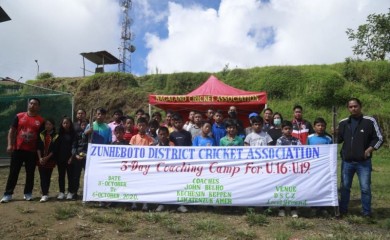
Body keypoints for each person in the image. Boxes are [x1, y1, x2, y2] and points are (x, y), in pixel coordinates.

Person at [338, 98, 383, 217]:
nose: (353, 108)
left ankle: (366, 212)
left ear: (360, 106)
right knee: (345, 188)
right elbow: (338, 140)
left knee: (365, 188)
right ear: (348, 108)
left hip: (363, 162)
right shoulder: (343, 122)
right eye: (351, 107)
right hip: (347, 162)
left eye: (355, 106)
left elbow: (379, 138)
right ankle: (343, 210)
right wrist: (334, 133)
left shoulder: (369, 121)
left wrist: (369, 150)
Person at [1, 98, 44, 203]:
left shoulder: (41, 120)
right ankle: (8, 194)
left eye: (35, 104)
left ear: (38, 107)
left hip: (32, 151)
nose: (33, 105)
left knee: (30, 173)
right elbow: (12, 131)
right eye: (31, 103)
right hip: (18, 149)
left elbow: (41, 137)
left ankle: (28, 193)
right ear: (28, 104)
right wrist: (10, 144)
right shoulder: (19, 116)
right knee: (13, 172)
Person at [307, 117, 332, 216]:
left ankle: (323, 206)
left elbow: (331, 152)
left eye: (322, 126)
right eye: (318, 125)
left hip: (325, 167)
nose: (320, 127)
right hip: (313, 166)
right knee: (313, 185)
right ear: (314, 127)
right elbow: (306, 151)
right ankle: (313, 206)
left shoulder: (328, 138)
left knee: (324, 185)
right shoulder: (309, 138)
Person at [276, 120, 302, 218]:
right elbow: (277, 154)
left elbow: (300, 152)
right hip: (283, 168)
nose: (287, 130)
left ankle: (293, 208)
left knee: (293, 187)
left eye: (289, 129)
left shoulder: (297, 140)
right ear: (282, 130)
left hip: (294, 168)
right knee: (282, 187)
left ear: (292, 129)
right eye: (285, 129)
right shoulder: (279, 140)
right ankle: (281, 208)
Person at [129, 117, 154, 210]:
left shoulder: (149, 138)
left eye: (144, 125)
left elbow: (152, 149)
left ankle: (145, 203)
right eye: (140, 125)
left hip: (146, 165)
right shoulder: (133, 138)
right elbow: (131, 149)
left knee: (145, 184)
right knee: (135, 183)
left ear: (146, 126)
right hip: (135, 165)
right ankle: (134, 203)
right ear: (137, 126)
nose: (142, 127)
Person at [169, 113, 192, 213]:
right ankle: (173, 202)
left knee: (184, 182)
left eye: (180, 122)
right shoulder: (171, 135)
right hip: (174, 163)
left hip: (185, 162)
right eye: (176, 122)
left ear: (183, 123)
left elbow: (190, 147)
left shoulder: (187, 134)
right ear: (173, 123)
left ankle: (183, 203)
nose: (178, 124)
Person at [36, 118, 59, 202]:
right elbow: (38, 147)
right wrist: (40, 158)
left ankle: (46, 193)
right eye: (46, 124)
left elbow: (55, 150)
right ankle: (44, 194)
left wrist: (47, 158)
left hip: (50, 160)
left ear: (53, 126)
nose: (48, 126)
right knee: (42, 177)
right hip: (41, 159)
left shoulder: (56, 135)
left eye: (50, 124)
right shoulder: (41, 134)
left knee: (47, 176)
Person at [154, 126, 175, 212]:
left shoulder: (172, 145)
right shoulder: (155, 146)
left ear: (167, 135)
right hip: (159, 172)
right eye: (161, 134)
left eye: (164, 134)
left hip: (170, 170)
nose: (162, 136)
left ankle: (173, 205)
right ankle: (161, 204)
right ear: (158, 135)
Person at [69, 119, 89, 200]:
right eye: (82, 125)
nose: (84, 127)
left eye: (85, 125)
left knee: (87, 176)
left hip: (87, 158)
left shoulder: (90, 136)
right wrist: (76, 155)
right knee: (76, 176)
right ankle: (74, 192)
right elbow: (73, 146)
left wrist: (87, 155)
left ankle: (87, 192)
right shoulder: (76, 135)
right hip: (78, 158)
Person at [57, 116, 76, 200]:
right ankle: (61, 192)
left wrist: (72, 157)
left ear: (70, 124)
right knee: (61, 176)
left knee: (70, 176)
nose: (65, 124)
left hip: (70, 158)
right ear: (62, 124)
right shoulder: (59, 134)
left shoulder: (73, 134)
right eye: (64, 123)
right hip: (60, 158)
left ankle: (70, 192)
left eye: (67, 123)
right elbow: (56, 146)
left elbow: (74, 146)